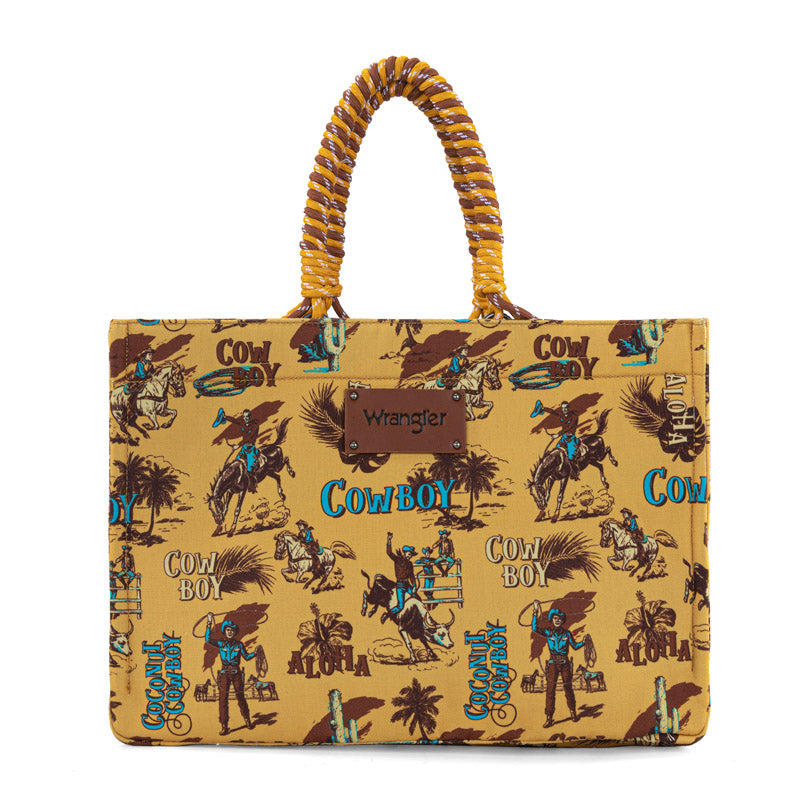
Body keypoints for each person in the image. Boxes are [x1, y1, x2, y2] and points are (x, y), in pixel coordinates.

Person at [531, 600, 586, 728]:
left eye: (559, 619)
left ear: (562, 621)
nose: (557, 620)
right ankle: (549, 718)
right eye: (555, 618)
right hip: (552, 664)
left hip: (565, 663)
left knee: (568, 689)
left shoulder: (567, 633)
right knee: (550, 691)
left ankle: (573, 713)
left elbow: (575, 646)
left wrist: (583, 642)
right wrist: (535, 611)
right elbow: (534, 628)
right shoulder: (548, 632)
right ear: (552, 620)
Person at [205, 613, 256, 735]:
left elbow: (246, 657)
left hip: (236, 673)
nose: (229, 632)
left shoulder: (239, 645)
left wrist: (255, 653)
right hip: (224, 674)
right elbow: (208, 639)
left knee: (240, 697)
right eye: (228, 630)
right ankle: (224, 725)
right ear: (225, 631)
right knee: (223, 699)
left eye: (232, 630)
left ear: (234, 632)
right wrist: (209, 622)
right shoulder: (221, 643)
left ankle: (247, 720)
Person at [533, 400, 582, 481]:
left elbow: (568, 427)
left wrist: (558, 434)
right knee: (556, 453)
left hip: (571, 439)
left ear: (569, 408)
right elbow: (553, 412)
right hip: (563, 438)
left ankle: (574, 473)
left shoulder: (574, 416)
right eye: (563, 408)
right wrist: (543, 408)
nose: (564, 410)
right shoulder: (561, 414)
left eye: (566, 408)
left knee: (571, 456)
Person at [221, 409, 261, 492]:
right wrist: (225, 417)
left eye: (247, 416)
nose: (246, 418)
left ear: (250, 417)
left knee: (250, 469)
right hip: (244, 449)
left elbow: (248, 438)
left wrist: (238, 446)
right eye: (244, 417)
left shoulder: (255, 426)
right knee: (236, 464)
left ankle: (252, 486)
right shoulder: (243, 423)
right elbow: (235, 420)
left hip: (251, 450)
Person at [386, 532, 418, 616]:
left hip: (407, 584)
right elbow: (389, 553)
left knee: (416, 597)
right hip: (400, 585)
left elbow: (411, 576)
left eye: (411, 555)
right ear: (405, 553)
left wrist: (414, 586)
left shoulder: (410, 564)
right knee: (400, 606)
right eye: (409, 554)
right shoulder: (398, 559)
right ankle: (388, 614)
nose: (410, 556)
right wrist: (389, 540)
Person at [126, 347, 155, 418]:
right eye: (149, 355)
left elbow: (153, 373)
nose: (151, 356)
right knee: (136, 392)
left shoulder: (150, 364)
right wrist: (150, 375)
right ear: (145, 356)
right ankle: (131, 409)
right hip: (137, 380)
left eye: (151, 354)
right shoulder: (140, 364)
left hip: (146, 380)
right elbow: (142, 375)